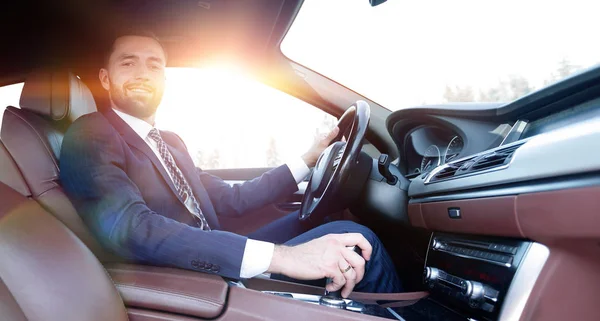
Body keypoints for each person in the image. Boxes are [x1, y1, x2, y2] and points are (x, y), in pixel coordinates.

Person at [60, 30, 401, 298]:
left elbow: (231, 199)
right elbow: (133, 228)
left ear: (164, 79)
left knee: (331, 222)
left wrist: (308, 160)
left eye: (154, 65)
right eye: (128, 63)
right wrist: (285, 258)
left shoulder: (171, 142)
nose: (143, 73)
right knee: (355, 240)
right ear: (105, 79)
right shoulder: (90, 133)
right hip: (184, 275)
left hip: (216, 246)